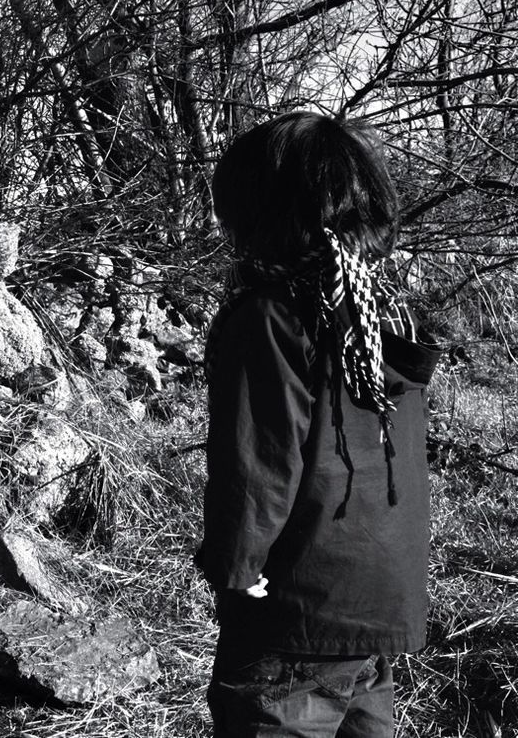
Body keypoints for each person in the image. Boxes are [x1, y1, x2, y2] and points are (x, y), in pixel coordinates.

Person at [197, 111, 443, 737]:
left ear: (258, 212)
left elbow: (259, 465)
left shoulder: (273, 319)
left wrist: (235, 571)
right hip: (377, 607)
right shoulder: (381, 316)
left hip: (293, 611)